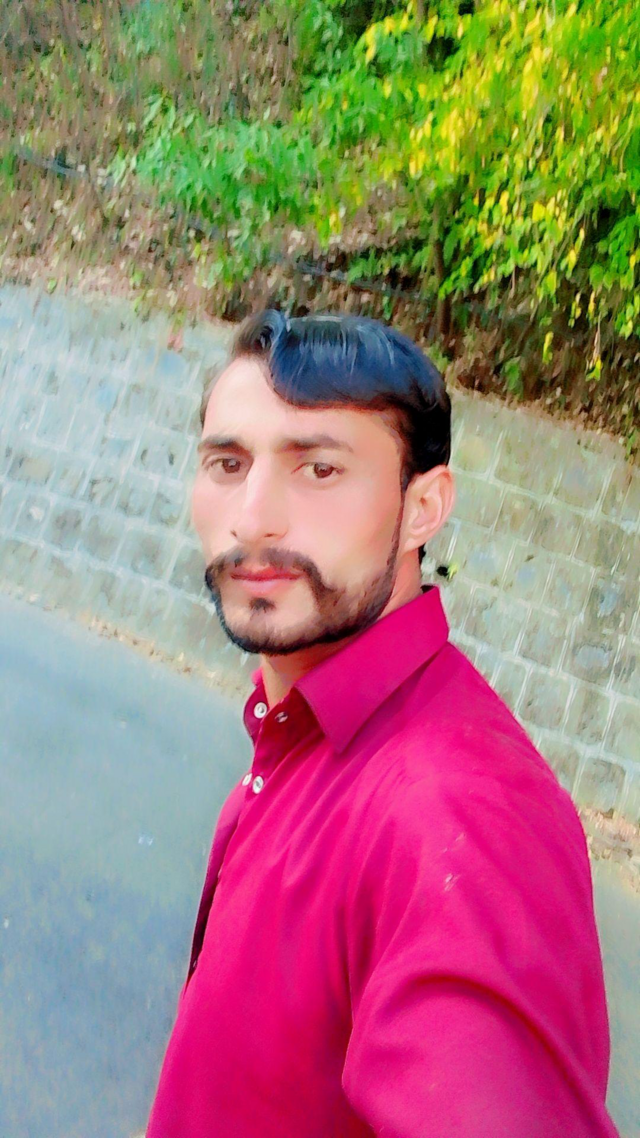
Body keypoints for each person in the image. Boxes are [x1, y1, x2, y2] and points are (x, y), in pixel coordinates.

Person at [145, 310, 618, 1137]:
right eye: (228, 463)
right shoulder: (300, 735)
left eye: (319, 469)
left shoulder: (458, 812)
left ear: (423, 506)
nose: (253, 517)